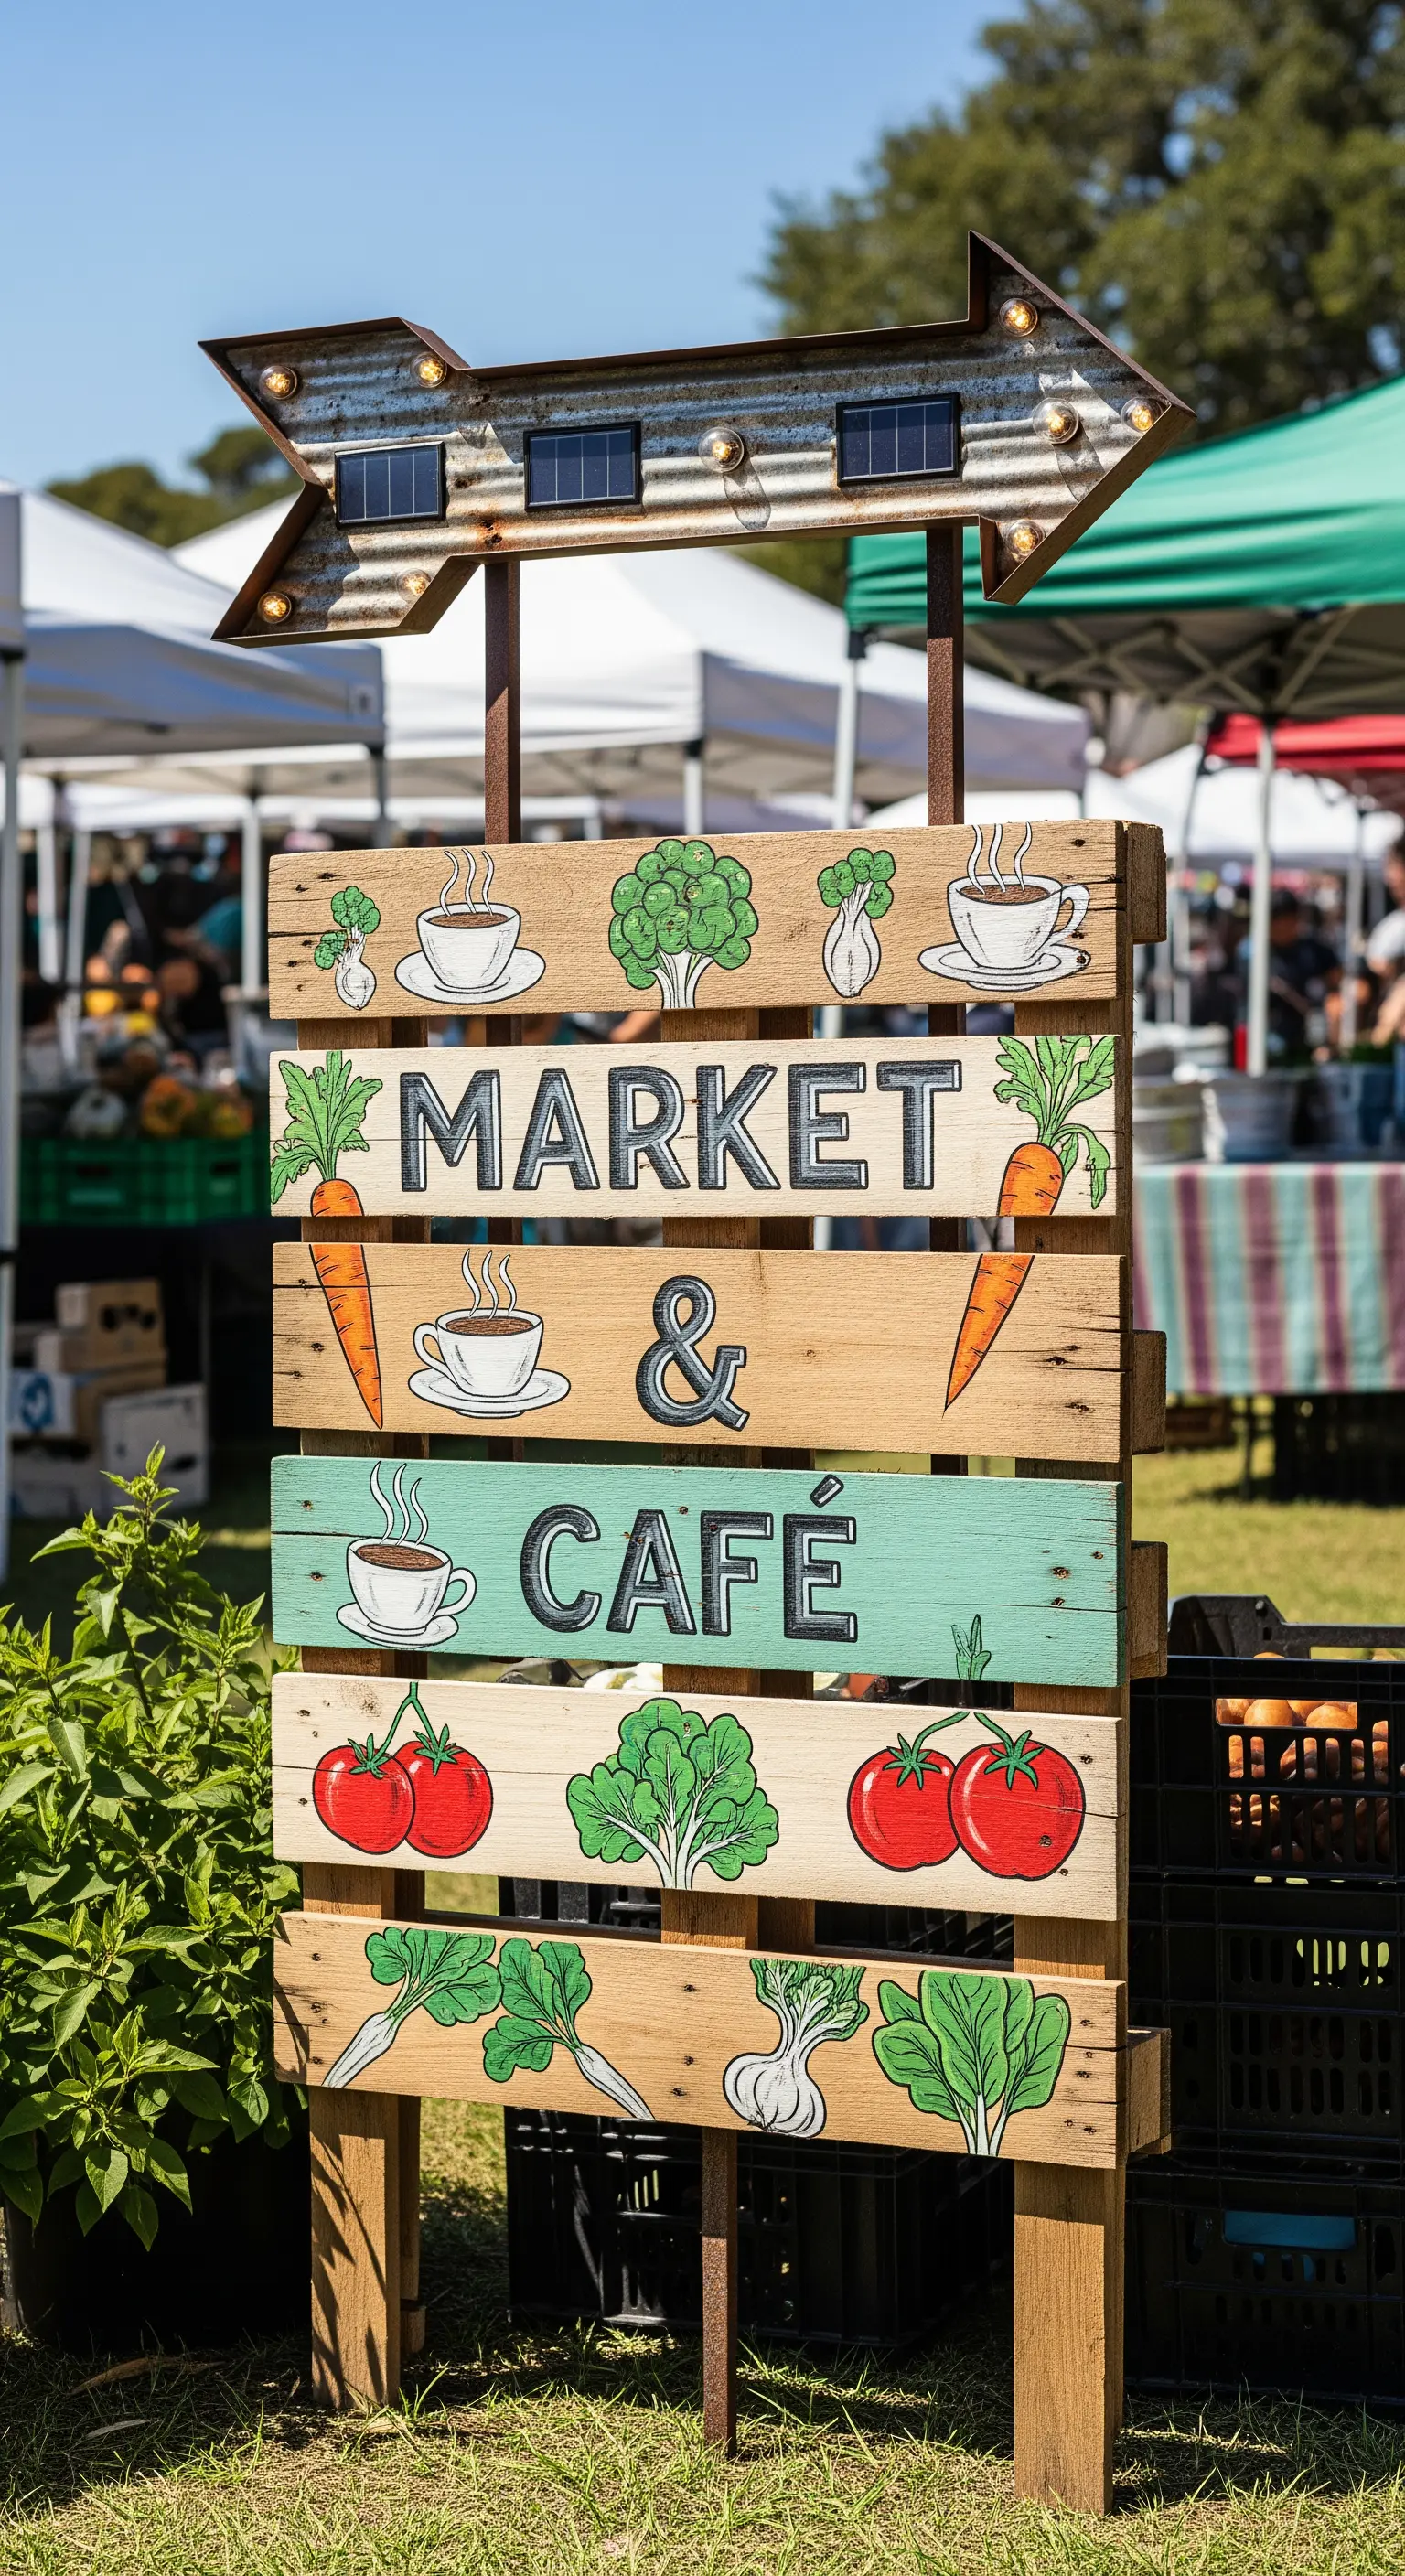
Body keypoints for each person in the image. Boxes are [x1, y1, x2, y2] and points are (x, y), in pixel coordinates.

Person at [1237, 888, 1338, 1059]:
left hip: (1307, 1036)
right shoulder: (1252, 951)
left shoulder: (1311, 949)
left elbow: (1337, 978)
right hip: (1268, 1036)